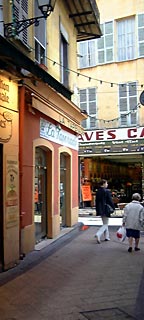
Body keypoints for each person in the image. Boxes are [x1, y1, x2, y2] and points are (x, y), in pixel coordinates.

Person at [94, 179, 115, 243]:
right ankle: (98, 234)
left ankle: (107, 237)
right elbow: (110, 200)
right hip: (106, 209)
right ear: (103, 184)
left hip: (100, 209)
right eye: (106, 183)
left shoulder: (98, 191)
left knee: (105, 222)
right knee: (105, 224)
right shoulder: (106, 191)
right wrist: (113, 207)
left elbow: (96, 201)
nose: (107, 184)